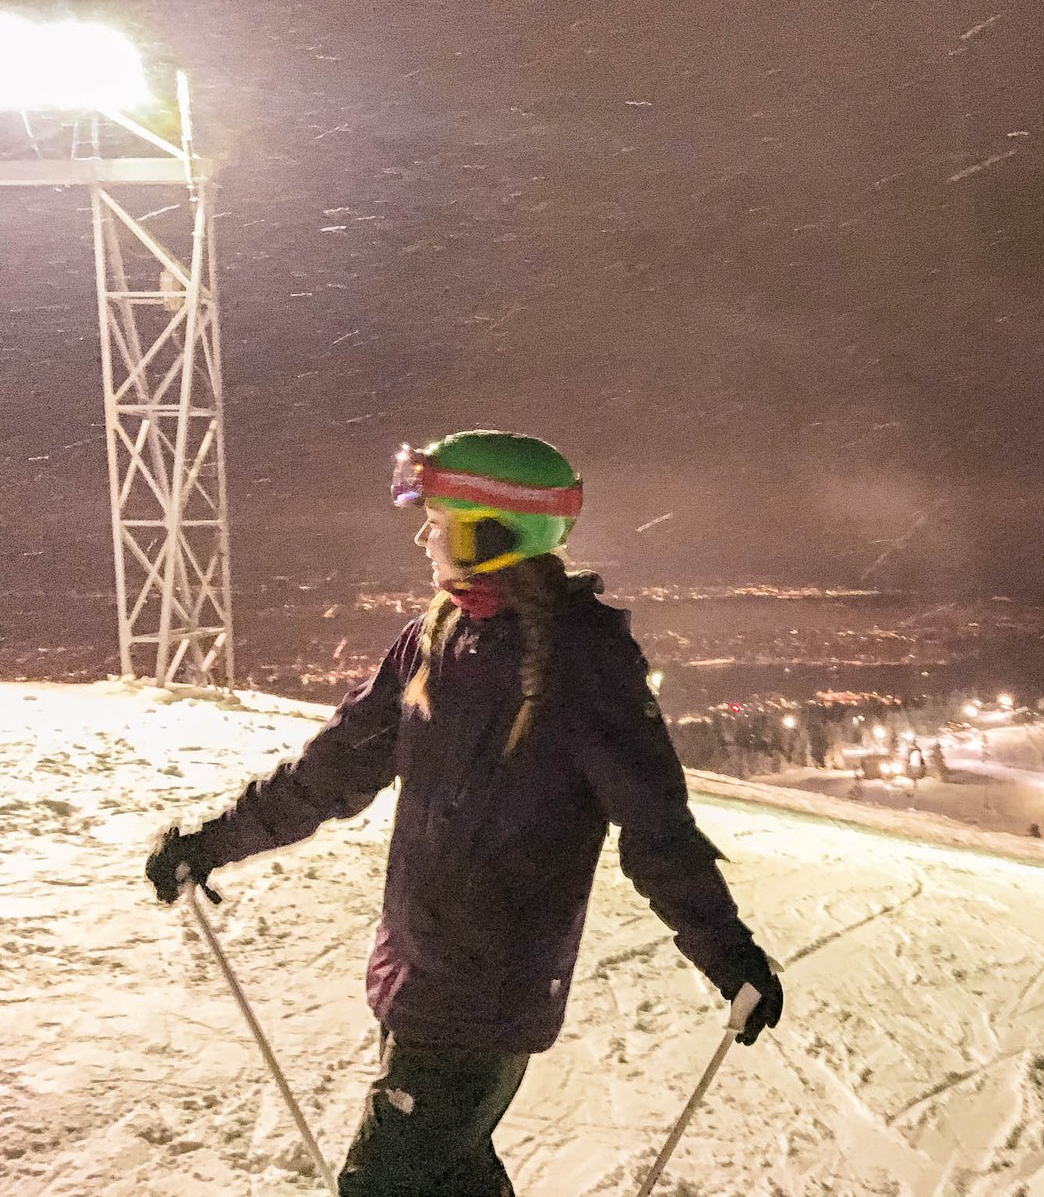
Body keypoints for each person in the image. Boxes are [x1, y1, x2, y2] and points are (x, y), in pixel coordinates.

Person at [145, 430, 784, 1197]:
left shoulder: (584, 660)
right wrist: (213, 843)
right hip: (415, 976)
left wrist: (728, 953)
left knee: (381, 1184)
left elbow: (656, 828)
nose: (423, 537)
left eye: (440, 520)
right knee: (452, 1177)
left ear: (493, 533)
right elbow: (333, 770)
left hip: (488, 995)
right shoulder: (433, 639)